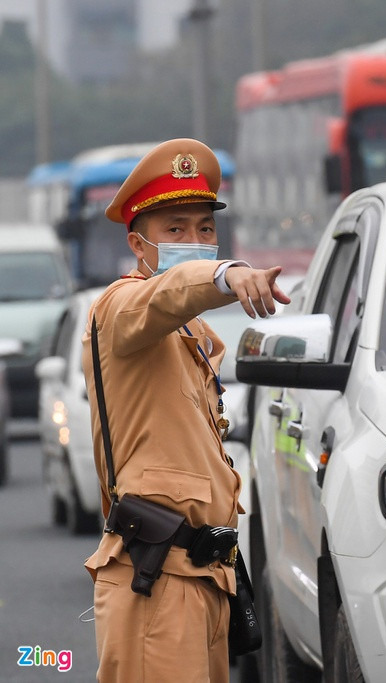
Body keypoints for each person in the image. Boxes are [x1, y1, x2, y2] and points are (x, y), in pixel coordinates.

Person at [81, 138, 290, 682]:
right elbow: (170, 292)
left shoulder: (191, 334)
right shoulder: (120, 308)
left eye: (204, 228)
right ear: (139, 245)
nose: (194, 241)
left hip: (202, 578)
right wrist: (224, 273)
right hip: (156, 581)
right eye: (174, 229)